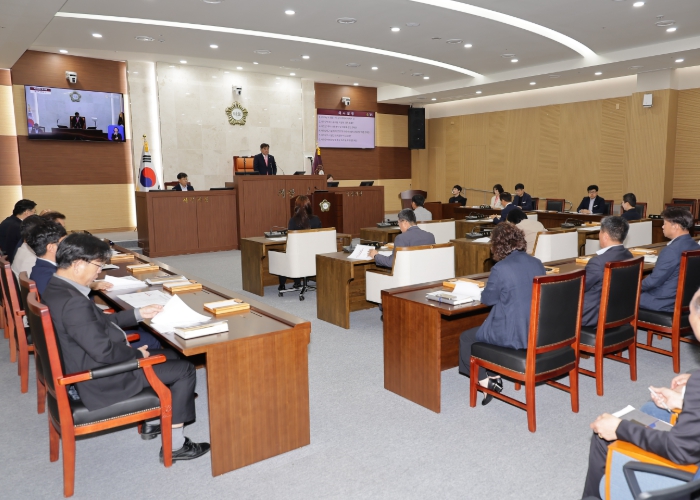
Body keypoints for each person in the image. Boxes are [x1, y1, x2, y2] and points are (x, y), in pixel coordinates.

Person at [41, 234, 210, 461]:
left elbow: (97, 323)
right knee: (185, 370)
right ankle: (176, 445)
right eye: (98, 266)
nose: (99, 272)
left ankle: (154, 420)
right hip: (100, 378)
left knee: (172, 354)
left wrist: (138, 313)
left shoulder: (57, 288)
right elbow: (103, 351)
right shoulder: (74, 303)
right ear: (78, 264)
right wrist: (136, 354)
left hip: (86, 363)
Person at [581, 289, 700, 499]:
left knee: (603, 436)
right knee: (649, 410)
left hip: (689, 468)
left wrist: (619, 428)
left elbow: (680, 450)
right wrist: (684, 399)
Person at [458, 223, 546, 405]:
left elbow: (488, 299)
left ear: (497, 245)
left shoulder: (500, 268)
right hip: (535, 330)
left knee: (466, 338)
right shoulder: (537, 263)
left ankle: (486, 381)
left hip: (514, 334)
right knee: (485, 328)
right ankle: (494, 373)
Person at [639, 207, 698, 312]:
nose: (662, 227)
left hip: (664, 302)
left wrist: (633, 287)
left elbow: (653, 282)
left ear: (675, 226)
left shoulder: (671, 250)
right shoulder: (695, 246)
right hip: (687, 301)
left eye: (665, 223)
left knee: (622, 295)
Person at [580, 216, 633, 327]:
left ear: (605, 236)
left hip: (594, 316)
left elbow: (580, 288)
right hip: (620, 312)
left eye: (600, 231)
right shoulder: (629, 255)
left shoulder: (598, 262)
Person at [278, 195, 321, 291]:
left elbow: (291, 241)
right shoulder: (316, 219)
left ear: (296, 207)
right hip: (313, 255)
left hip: (297, 257)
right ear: (309, 206)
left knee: (283, 257)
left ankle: (284, 285)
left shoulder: (293, 221)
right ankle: (297, 282)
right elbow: (319, 238)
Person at [369, 208, 435, 268]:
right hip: (427, 273)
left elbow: (392, 262)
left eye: (399, 223)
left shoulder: (401, 238)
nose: (399, 227)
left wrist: (376, 255)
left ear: (404, 222)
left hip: (409, 275)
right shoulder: (430, 236)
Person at [27, 220, 67, 294]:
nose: (68, 246)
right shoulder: (50, 277)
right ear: (51, 248)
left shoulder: (40, 268)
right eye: (64, 243)